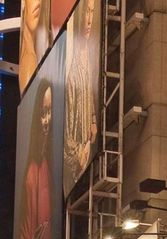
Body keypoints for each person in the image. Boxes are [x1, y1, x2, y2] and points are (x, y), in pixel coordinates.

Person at [19, 79, 56, 239]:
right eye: (43, 113)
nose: (46, 120)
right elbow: (25, 236)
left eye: (50, 112)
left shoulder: (50, 164)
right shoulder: (31, 172)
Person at [63, 0, 100, 188]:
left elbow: (92, 97)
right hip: (75, 168)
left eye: (92, 12)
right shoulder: (70, 70)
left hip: (89, 156)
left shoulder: (92, 56)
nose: (89, 20)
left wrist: (93, 121)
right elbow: (66, 135)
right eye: (86, 12)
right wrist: (80, 152)